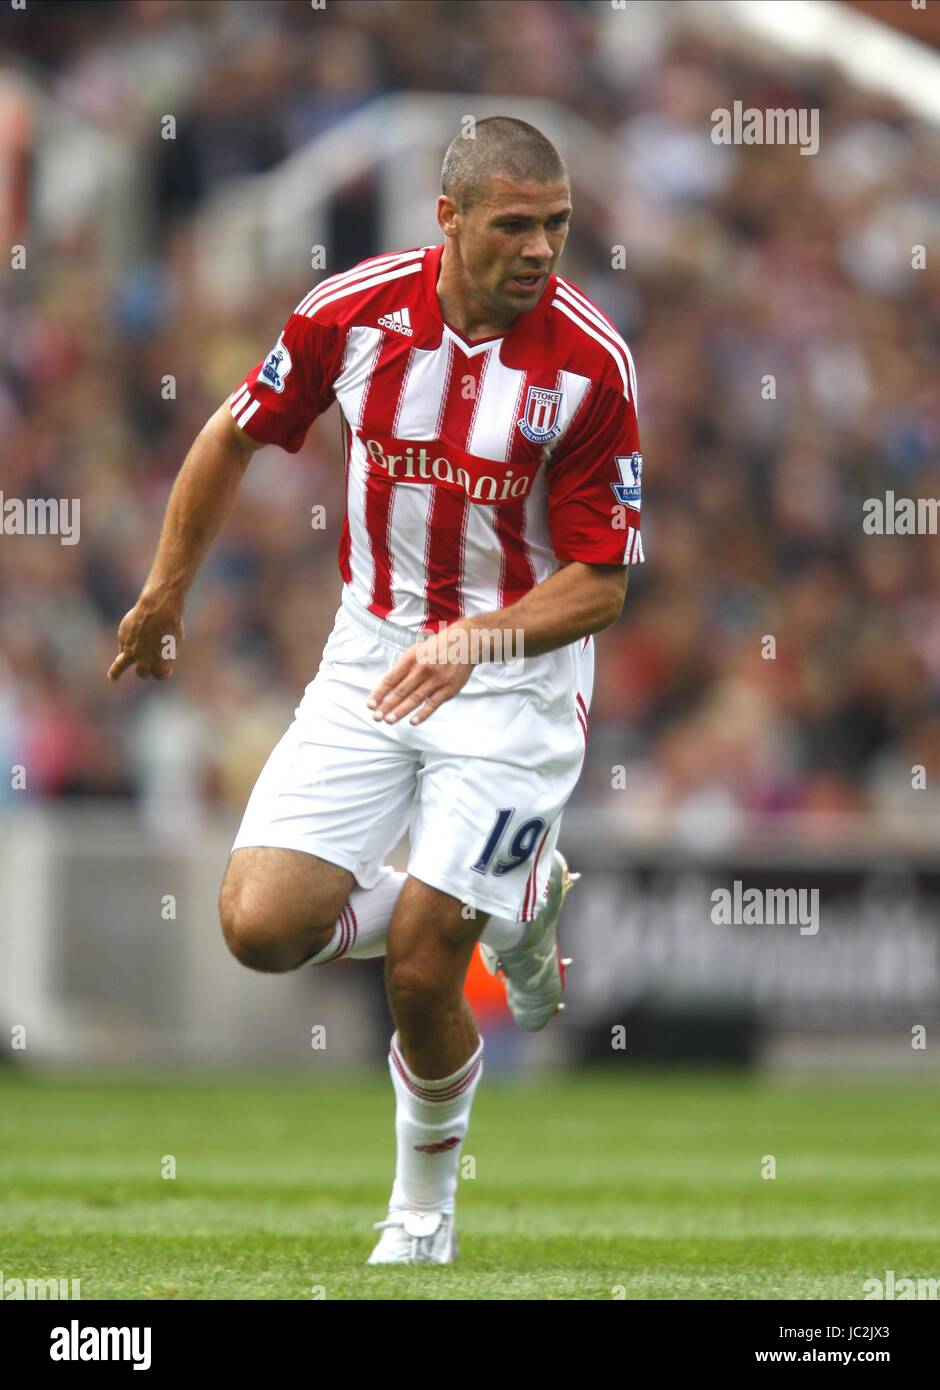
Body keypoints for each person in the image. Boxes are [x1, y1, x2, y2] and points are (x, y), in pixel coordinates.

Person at [108, 116, 643, 1264]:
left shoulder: (591, 364)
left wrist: (478, 642)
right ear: (447, 220)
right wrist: (164, 594)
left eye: (556, 223)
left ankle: (419, 1215)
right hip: (371, 657)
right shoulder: (349, 312)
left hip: (517, 685)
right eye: (514, 223)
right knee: (259, 925)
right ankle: (514, 888)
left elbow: (600, 585)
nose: (542, 247)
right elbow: (231, 433)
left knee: (418, 959)